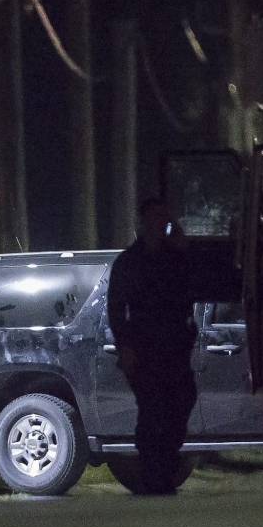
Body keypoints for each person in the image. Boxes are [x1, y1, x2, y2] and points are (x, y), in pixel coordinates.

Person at [107, 197, 198, 494]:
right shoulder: (130, 262)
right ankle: (152, 474)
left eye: (166, 219)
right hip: (145, 346)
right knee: (152, 410)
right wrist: (126, 347)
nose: (162, 225)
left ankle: (165, 468)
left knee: (180, 403)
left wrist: (183, 248)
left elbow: (194, 287)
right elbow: (117, 309)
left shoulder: (176, 258)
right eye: (157, 219)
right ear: (145, 222)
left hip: (174, 345)